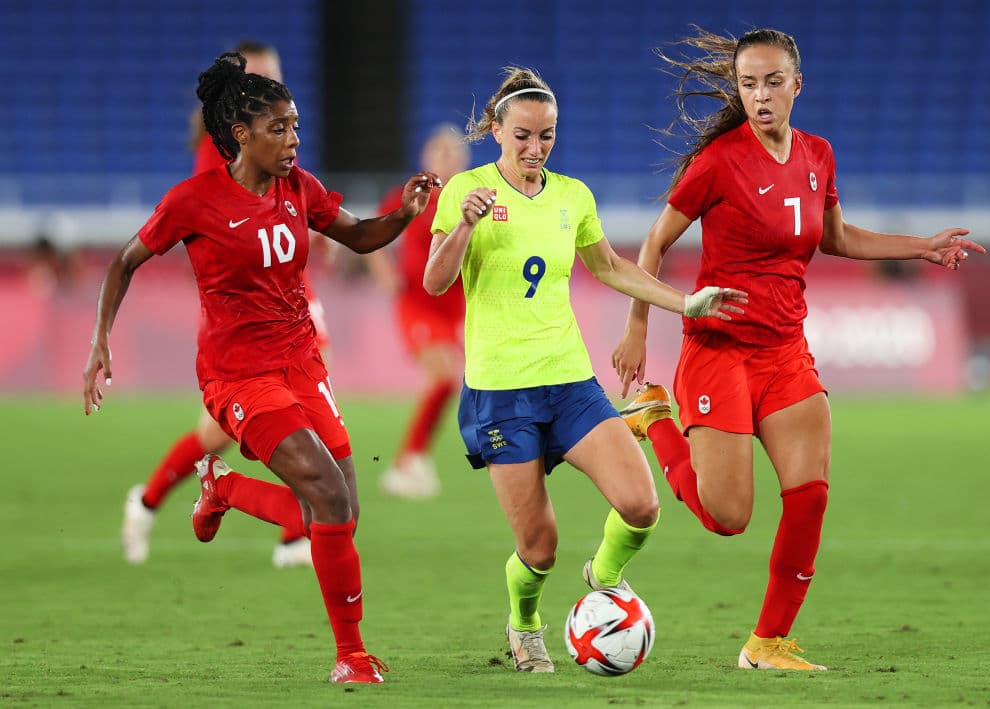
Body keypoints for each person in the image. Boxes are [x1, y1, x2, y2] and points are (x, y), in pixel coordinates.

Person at [612, 28, 986, 672]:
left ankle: (766, 643)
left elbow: (836, 238)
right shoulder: (719, 161)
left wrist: (919, 246)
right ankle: (654, 418)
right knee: (727, 518)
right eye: (748, 84)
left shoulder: (818, 155)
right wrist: (639, 327)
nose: (760, 96)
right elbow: (652, 245)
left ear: (796, 85)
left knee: (809, 494)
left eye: (772, 82)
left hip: (785, 350)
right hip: (719, 349)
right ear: (739, 88)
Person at [83, 51, 441, 683]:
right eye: (280, 128)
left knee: (340, 514)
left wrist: (405, 215)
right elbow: (126, 260)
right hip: (239, 377)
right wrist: (100, 339)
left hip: (303, 364)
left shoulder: (298, 187)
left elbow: (357, 235)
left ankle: (222, 487)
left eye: (296, 125)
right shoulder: (194, 201)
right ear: (241, 135)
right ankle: (351, 656)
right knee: (328, 498)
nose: (293, 139)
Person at [423, 66, 747, 673]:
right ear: (496, 130)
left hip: (570, 383)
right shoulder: (466, 189)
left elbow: (611, 268)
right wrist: (465, 222)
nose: (534, 149)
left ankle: (603, 576)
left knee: (642, 504)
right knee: (539, 548)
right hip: (501, 392)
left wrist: (685, 302)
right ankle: (525, 625)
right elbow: (435, 281)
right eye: (521, 135)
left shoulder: (573, 196)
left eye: (546, 136)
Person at [120, 40, 327, 568]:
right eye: (262, 75)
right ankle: (156, 501)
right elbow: (222, 233)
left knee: (283, 420)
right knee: (230, 432)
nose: (273, 85)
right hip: (247, 317)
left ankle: (287, 528)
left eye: (277, 75)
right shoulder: (226, 150)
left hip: (287, 303)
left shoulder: (277, 138)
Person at [365, 124, 470, 499]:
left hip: (451, 310)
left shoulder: (469, 202)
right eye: (439, 150)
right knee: (443, 379)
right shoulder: (410, 196)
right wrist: (385, 273)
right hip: (417, 305)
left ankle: (414, 459)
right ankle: (407, 462)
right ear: (426, 157)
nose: (445, 158)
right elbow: (373, 234)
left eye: (452, 152)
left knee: (449, 383)